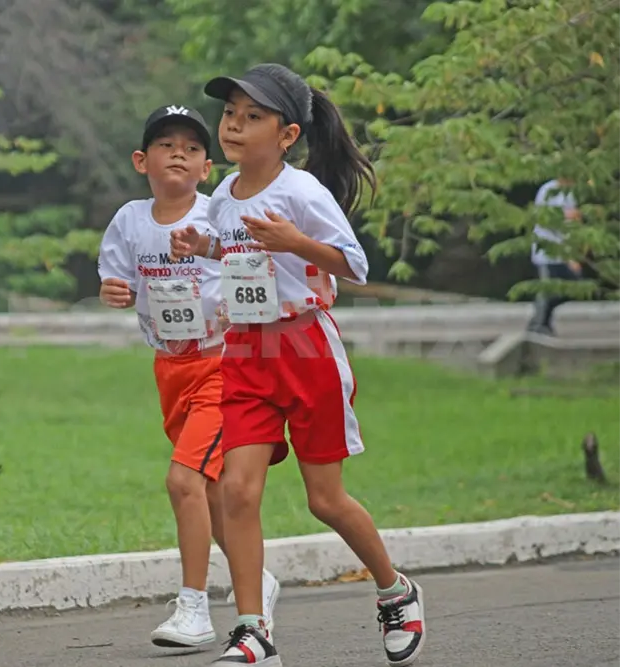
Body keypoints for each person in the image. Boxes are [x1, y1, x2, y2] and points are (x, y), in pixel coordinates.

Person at [169, 64, 427, 667]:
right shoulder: (225, 195)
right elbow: (236, 253)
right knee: (236, 490)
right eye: (231, 114)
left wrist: (295, 242)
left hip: (306, 348)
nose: (234, 125)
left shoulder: (302, 192)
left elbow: (353, 264)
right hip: (246, 352)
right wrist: (201, 246)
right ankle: (254, 630)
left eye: (252, 116)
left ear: (286, 135)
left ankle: (396, 590)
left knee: (325, 500)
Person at [97, 105, 281, 650]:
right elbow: (117, 278)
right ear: (141, 160)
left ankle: (194, 607)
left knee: (183, 481)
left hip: (224, 365)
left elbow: (254, 271)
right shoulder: (129, 220)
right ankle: (258, 580)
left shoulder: (218, 214)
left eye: (193, 147)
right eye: (165, 144)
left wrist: (241, 310)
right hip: (170, 369)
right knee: (215, 495)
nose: (179, 152)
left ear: (206, 167)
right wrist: (116, 292)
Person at [526, 178, 583, 336]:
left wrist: (573, 254)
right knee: (548, 289)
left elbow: (573, 224)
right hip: (547, 250)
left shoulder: (570, 193)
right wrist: (565, 217)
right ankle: (539, 324)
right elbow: (544, 219)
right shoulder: (548, 190)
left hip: (565, 251)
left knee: (573, 284)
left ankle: (540, 319)